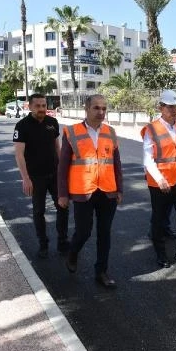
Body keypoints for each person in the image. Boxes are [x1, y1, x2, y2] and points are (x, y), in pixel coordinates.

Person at [58, 95, 123, 288]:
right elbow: (63, 166)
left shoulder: (111, 132)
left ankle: (101, 272)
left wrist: (120, 188)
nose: (101, 112)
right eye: (96, 108)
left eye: (104, 108)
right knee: (84, 231)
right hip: (83, 191)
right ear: (86, 108)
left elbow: (116, 163)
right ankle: (73, 253)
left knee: (105, 233)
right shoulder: (72, 132)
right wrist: (62, 193)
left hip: (107, 191)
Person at [141, 90, 176, 269]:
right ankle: (161, 253)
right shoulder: (152, 129)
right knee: (158, 219)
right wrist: (159, 179)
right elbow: (147, 158)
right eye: (170, 107)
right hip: (160, 182)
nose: (174, 110)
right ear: (161, 107)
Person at [13, 93, 69, 258]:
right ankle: (43, 244)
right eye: (37, 106)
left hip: (55, 174)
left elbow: (57, 148)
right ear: (29, 107)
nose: (41, 109)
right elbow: (19, 155)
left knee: (63, 207)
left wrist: (62, 171)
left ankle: (62, 241)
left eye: (44, 105)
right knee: (39, 211)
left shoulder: (52, 122)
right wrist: (25, 178)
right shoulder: (22, 126)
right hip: (36, 177)